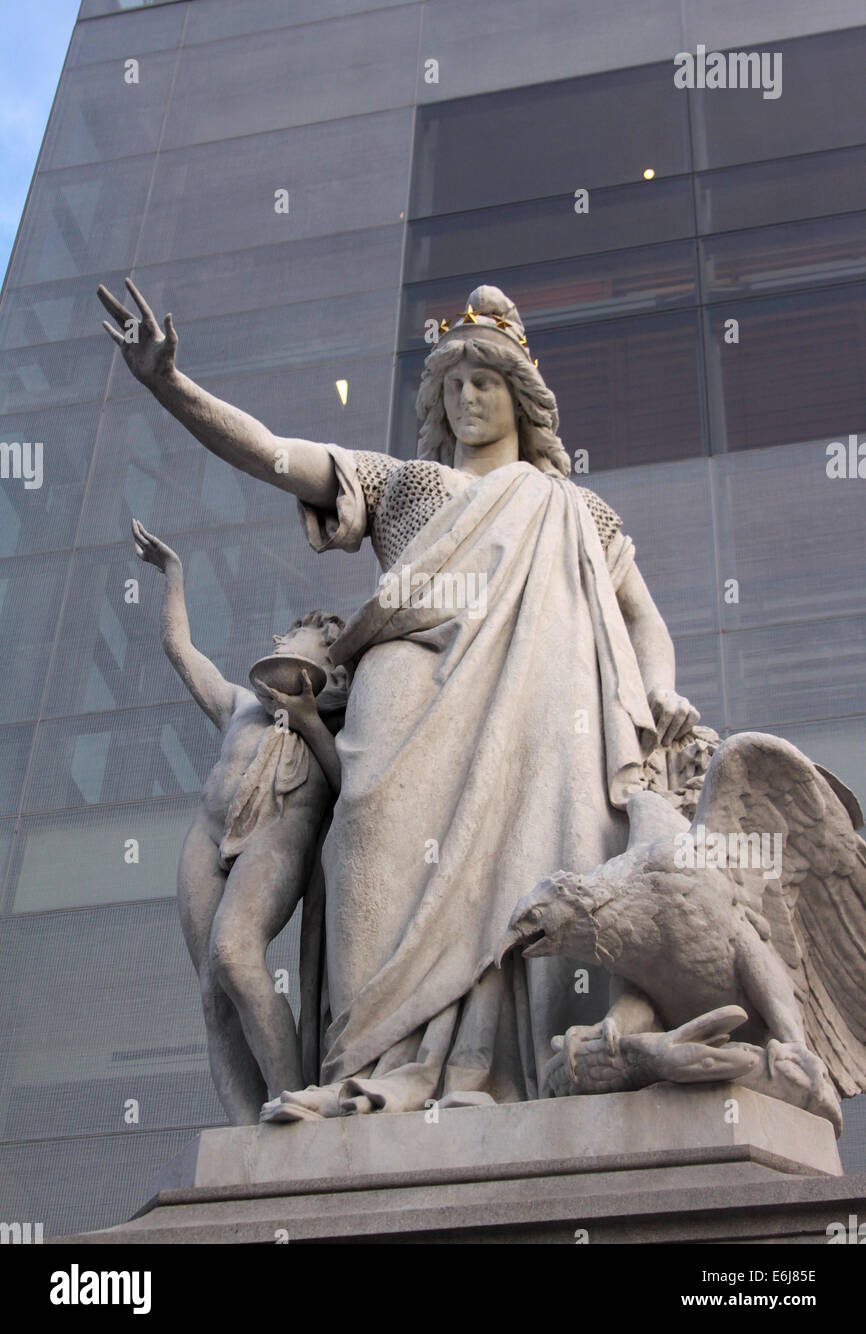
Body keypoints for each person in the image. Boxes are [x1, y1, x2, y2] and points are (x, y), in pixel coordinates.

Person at [102, 279, 699, 1121]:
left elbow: (646, 625)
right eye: (453, 384)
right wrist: (168, 385)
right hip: (400, 709)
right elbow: (273, 453)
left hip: (537, 712)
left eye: (485, 381)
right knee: (369, 843)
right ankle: (369, 1070)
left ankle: (516, 1069)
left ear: (522, 396)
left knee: (541, 863)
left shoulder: (573, 510)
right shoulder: (402, 483)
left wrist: (663, 687)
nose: (467, 398)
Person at [131, 517, 348, 1123]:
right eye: (290, 635)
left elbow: (354, 793)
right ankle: (245, 1133)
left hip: (278, 840)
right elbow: (180, 650)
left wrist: (307, 718)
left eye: (306, 642)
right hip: (206, 836)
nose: (287, 642)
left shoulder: (336, 727)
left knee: (234, 953)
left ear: (333, 673)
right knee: (212, 994)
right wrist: (174, 577)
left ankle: (292, 1103)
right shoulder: (239, 705)